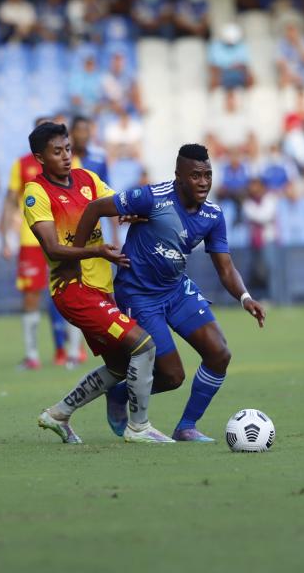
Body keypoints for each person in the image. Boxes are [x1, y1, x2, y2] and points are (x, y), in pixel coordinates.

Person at [67, 143, 266, 442]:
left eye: (208, 175)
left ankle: (187, 426)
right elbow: (95, 208)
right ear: (179, 177)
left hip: (175, 290)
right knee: (172, 377)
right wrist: (77, 256)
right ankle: (119, 393)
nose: (203, 182)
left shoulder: (213, 215)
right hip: (139, 294)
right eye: (196, 175)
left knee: (219, 353)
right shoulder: (151, 197)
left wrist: (245, 297)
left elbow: (225, 268)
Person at [23, 122, 172, 444]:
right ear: (40, 157)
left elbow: (117, 203)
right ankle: (139, 427)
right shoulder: (36, 193)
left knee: (119, 366)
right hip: (73, 290)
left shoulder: (87, 179)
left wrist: (133, 213)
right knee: (143, 345)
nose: (66, 157)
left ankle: (58, 414)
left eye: (67, 149)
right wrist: (97, 251)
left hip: (100, 288)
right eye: (57, 152)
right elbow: (51, 248)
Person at [0, 117, 79, 369]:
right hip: (31, 239)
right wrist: (5, 236)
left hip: (64, 236)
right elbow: (11, 199)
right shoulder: (21, 164)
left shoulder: (71, 160)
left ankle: (74, 352)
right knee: (31, 295)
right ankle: (32, 355)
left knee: (73, 290)